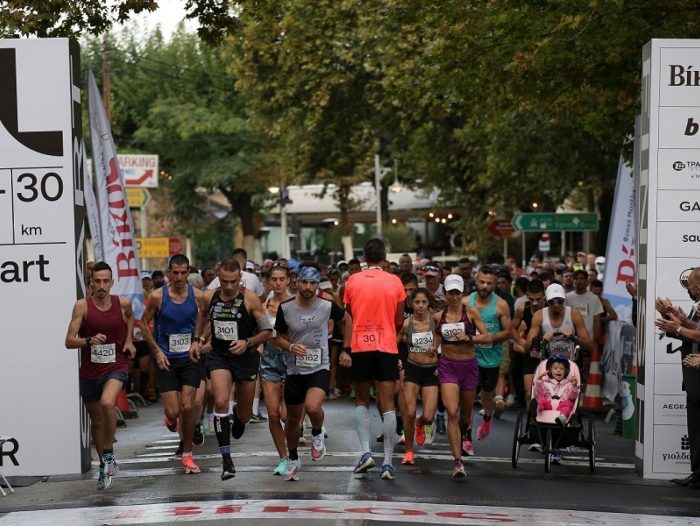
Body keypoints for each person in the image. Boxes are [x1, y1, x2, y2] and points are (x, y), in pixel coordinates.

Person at [191, 258, 272, 480]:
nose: (228, 286)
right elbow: (202, 317)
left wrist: (248, 343)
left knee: (245, 414)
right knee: (219, 401)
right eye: (224, 281)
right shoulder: (210, 296)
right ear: (219, 277)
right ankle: (227, 461)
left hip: (245, 357)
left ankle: (239, 417)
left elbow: (267, 331)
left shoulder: (250, 299)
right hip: (219, 356)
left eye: (233, 281)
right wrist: (197, 340)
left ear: (240, 278)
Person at [272, 264, 351, 481]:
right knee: (292, 420)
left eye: (313, 283)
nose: (308, 287)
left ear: (318, 285)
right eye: (304, 282)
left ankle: (317, 431)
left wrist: (346, 348)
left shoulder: (327, 306)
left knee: (313, 407)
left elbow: (347, 320)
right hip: (295, 369)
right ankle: (294, 458)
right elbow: (276, 338)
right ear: (296, 282)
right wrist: (289, 347)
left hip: (319, 366)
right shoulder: (286, 308)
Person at [64, 261, 136, 489]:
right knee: (96, 422)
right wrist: (88, 340)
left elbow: (132, 318)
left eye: (106, 281)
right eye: (98, 281)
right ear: (91, 283)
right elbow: (68, 341)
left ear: (112, 283)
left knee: (108, 403)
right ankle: (103, 465)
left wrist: (129, 341)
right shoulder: (82, 307)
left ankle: (110, 455)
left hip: (116, 365)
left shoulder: (122, 303)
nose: (102, 286)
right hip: (90, 371)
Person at [342, 238, 406, 480]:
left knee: (361, 399)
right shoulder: (395, 281)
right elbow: (399, 320)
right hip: (387, 344)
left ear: (364, 257)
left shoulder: (352, 280)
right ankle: (388, 463)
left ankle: (366, 453)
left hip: (360, 344)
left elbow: (350, 314)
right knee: (387, 402)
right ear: (384, 256)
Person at [140, 254, 205, 475]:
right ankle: (170, 416)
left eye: (183, 273)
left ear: (188, 273)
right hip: (166, 359)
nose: (178, 277)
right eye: (174, 273)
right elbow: (143, 322)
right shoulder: (158, 296)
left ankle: (187, 454)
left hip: (189, 359)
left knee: (188, 407)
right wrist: (156, 350)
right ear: (169, 273)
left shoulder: (197, 296)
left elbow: (204, 318)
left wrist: (197, 341)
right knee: (174, 410)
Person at [433, 274, 490, 478]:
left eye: (457, 293)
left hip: (469, 366)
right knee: (452, 411)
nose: (454, 297)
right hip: (448, 366)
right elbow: (434, 341)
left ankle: (463, 434)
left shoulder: (471, 312)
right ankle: (458, 462)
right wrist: (428, 352)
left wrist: (470, 337)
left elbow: (487, 337)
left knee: (464, 417)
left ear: (462, 293)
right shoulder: (439, 316)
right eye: (450, 293)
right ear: (446, 294)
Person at [654, 267, 700, 487]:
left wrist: (680, 327)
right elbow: (687, 329)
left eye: (689, 286)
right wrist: (672, 317)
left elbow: (693, 332)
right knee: (696, 428)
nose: (689, 290)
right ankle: (697, 474)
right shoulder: (696, 307)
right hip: (693, 379)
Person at [466, 265, 512, 444]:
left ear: (494, 285)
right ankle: (466, 437)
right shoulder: (465, 302)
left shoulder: (500, 305)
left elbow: (508, 332)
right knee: (468, 397)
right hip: (469, 358)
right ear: (476, 281)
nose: (485, 286)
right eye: (482, 282)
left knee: (487, 395)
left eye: (489, 283)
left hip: (491, 359)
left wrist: (487, 337)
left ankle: (486, 419)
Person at [397, 288, 439, 465]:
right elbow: (394, 343)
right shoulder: (407, 324)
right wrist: (396, 359)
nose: (420, 306)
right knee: (409, 413)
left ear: (428, 303)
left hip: (431, 371)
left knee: (428, 416)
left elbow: (442, 337)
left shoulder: (435, 321)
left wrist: (436, 346)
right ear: (411, 303)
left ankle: (420, 424)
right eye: (417, 302)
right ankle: (408, 452)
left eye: (424, 302)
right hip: (412, 370)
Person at [260, 262, 293, 476]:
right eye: (274, 279)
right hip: (270, 359)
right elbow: (259, 329)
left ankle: (293, 452)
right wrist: (257, 345)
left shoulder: (296, 304)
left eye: (282, 279)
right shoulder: (264, 306)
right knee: (273, 414)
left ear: (288, 280)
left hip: (292, 359)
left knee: (286, 415)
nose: (278, 283)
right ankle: (284, 458)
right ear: (269, 281)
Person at [533, 356, 579, 426]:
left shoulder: (569, 384)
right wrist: (539, 380)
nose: (558, 370)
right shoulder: (546, 383)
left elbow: (572, 397)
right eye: (555, 368)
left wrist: (574, 386)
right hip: (548, 404)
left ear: (565, 371)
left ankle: (562, 417)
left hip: (562, 405)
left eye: (561, 368)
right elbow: (540, 391)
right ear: (550, 371)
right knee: (541, 399)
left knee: (568, 403)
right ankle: (536, 409)